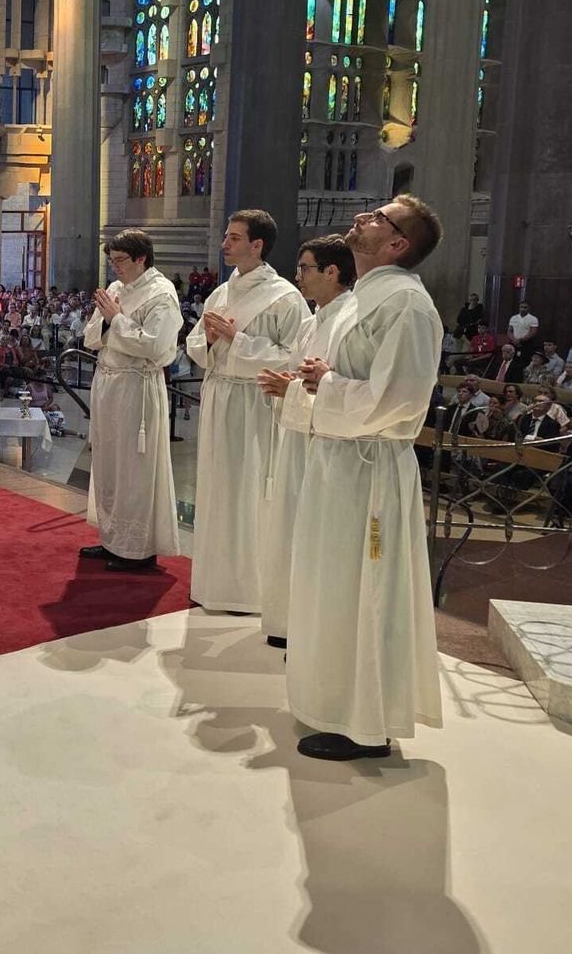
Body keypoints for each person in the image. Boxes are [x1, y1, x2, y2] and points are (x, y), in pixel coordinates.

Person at [287, 195, 445, 761]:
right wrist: (320, 382)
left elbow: (401, 401)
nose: (363, 217)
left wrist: (325, 383)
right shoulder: (363, 297)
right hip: (338, 461)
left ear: (398, 243)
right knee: (333, 586)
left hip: (370, 470)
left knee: (366, 592)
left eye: (379, 217)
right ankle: (335, 702)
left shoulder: (407, 305)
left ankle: (368, 724)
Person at [184, 209, 309, 614]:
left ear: (257, 245)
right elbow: (194, 344)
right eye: (226, 236)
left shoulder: (285, 297)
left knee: (247, 490)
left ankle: (245, 590)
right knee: (216, 488)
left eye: (234, 238)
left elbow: (295, 357)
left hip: (255, 403)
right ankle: (213, 582)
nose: (224, 243)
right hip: (219, 396)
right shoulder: (221, 293)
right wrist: (207, 339)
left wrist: (237, 340)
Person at [255, 233, 357, 645]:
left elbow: (342, 388)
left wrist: (292, 389)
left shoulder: (351, 321)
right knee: (289, 528)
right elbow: (302, 376)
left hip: (327, 445)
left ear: (332, 272)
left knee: (314, 536)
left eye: (305, 268)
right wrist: (288, 386)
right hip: (297, 437)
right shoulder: (311, 321)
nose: (298, 276)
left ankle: (312, 628)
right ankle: (287, 621)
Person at [81, 229, 184, 573]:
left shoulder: (162, 294)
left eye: (120, 260)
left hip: (137, 387)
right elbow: (90, 337)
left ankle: (137, 549)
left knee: (134, 469)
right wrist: (109, 323)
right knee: (109, 464)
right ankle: (112, 537)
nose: (115, 267)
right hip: (108, 382)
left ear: (141, 258)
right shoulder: (115, 289)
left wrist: (116, 320)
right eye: (111, 261)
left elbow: (155, 347)